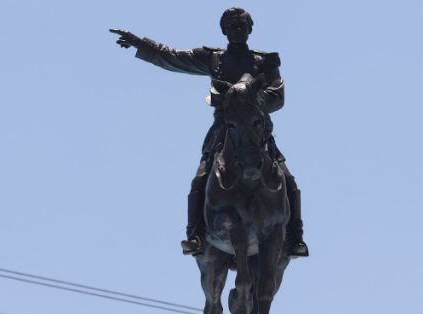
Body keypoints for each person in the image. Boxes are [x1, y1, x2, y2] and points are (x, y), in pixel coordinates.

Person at [110, 8, 308, 258]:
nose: (237, 29)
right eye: (232, 26)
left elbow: (278, 95)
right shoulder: (214, 58)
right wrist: (141, 43)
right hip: (224, 131)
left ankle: (295, 237)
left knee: (287, 179)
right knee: (201, 178)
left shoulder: (265, 61)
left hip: (257, 132)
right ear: (224, 31)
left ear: (250, 29)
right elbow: (173, 56)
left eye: (242, 25)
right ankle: (195, 235)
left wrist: (249, 101)